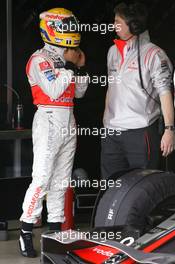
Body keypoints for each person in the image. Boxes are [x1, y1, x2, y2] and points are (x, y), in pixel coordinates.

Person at [19, 8, 88, 257]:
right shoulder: (39, 59)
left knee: (61, 180)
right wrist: (70, 66)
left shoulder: (65, 58)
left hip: (68, 118)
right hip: (48, 118)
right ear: (51, 29)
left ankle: (56, 232)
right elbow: (55, 89)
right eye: (65, 26)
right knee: (43, 177)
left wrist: (75, 68)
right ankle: (26, 230)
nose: (70, 30)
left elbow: (79, 91)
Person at [101, 1, 175, 180]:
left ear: (134, 26)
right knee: (110, 189)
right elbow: (111, 88)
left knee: (142, 187)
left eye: (118, 21)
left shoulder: (154, 54)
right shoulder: (112, 52)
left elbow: (166, 93)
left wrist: (170, 129)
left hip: (140, 132)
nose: (113, 26)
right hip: (111, 133)